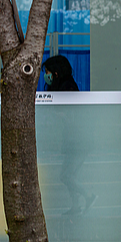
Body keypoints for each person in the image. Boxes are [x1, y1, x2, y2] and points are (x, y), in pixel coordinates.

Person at [42, 55, 95, 216]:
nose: (46, 76)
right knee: (68, 174)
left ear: (56, 73)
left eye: (48, 72)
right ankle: (76, 205)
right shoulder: (62, 86)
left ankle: (89, 196)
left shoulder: (68, 87)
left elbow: (69, 115)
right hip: (73, 139)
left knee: (66, 175)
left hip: (78, 140)